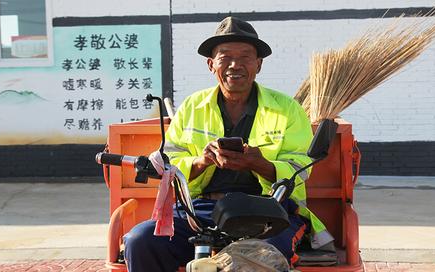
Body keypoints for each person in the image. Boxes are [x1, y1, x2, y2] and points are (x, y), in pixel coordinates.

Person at [123, 16, 333, 272]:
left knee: (256, 259)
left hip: (271, 210)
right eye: (225, 57)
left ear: (259, 64)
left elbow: (301, 166)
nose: (235, 65)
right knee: (140, 241)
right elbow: (169, 163)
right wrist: (201, 161)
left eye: (245, 56)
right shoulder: (191, 107)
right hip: (200, 209)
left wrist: (258, 164)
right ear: (211, 65)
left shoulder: (288, 109)